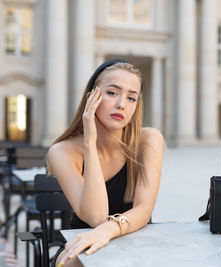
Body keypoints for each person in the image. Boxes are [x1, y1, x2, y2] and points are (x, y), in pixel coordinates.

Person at [46, 59, 164, 267]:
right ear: (92, 96)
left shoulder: (149, 140)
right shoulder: (62, 151)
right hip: (82, 243)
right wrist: (89, 143)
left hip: (133, 242)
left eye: (131, 98)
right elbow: (96, 217)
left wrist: (107, 231)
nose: (121, 104)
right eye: (112, 93)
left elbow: (144, 209)